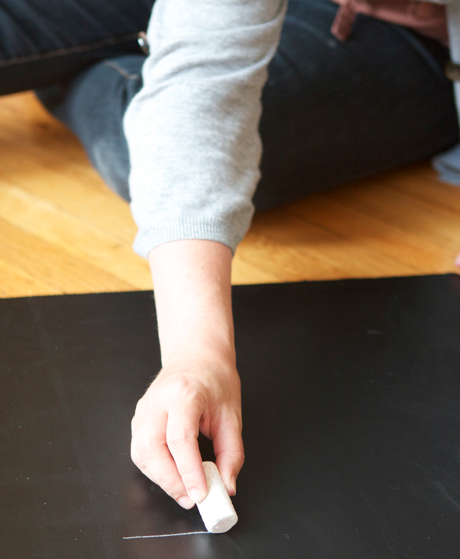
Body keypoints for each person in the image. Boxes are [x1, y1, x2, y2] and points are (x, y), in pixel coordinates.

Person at [2, 0, 460, 509]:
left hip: (408, 32)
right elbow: (202, 70)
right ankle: (152, 38)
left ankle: (112, 56)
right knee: (164, 122)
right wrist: (197, 354)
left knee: (143, 141)